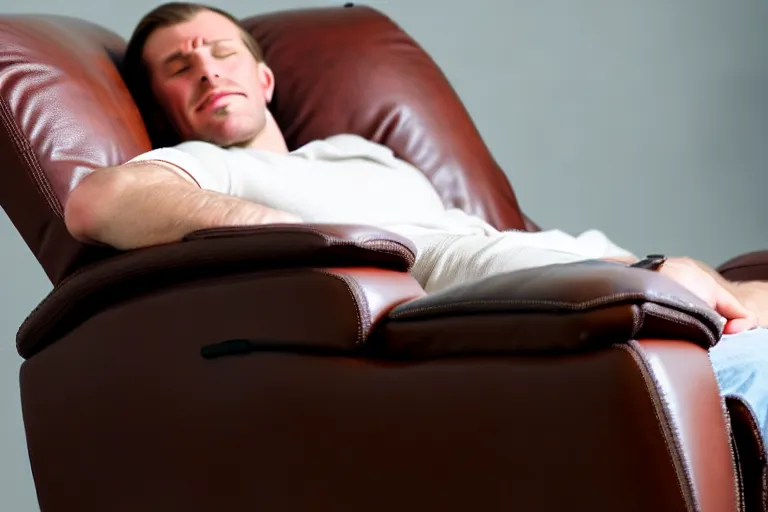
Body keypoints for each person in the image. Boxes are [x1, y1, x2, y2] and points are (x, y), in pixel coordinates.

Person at [65, 2, 768, 436]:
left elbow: (487, 239)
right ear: (161, 103)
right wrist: (288, 236)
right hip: (590, 303)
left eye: (221, 52)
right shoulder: (202, 166)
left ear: (264, 79)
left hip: (600, 268)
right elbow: (94, 204)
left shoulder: (359, 153)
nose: (208, 70)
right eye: (179, 67)